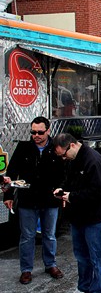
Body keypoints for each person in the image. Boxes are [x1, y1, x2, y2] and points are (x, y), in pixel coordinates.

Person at [52, 133, 101, 293]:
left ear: (71, 146)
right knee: (81, 255)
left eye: (63, 154)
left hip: (96, 218)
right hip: (78, 216)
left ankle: (100, 292)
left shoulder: (93, 160)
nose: (63, 159)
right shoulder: (73, 159)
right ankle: (84, 288)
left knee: (97, 257)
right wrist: (63, 189)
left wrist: (71, 196)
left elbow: (99, 192)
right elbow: (71, 182)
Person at [2, 116, 65, 284]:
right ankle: (26, 270)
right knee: (27, 236)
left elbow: (64, 173)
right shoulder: (23, 148)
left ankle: (50, 264)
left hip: (50, 200)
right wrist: (8, 196)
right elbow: (11, 173)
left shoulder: (56, 148)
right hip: (27, 200)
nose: (36, 135)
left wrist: (63, 192)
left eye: (40, 132)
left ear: (48, 131)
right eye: (33, 132)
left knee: (49, 235)